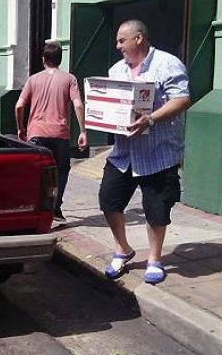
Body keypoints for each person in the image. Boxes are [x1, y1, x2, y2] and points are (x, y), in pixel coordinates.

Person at [101, 20, 191, 285]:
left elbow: (182, 99)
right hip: (123, 154)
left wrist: (150, 119)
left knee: (157, 210)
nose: (118, 46)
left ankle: (154, 259)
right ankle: (123, 250)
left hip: (157, 154)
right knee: (109, 200)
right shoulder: (117, 69)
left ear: (139, 38)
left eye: (121, 40)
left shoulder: (167, 63)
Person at [15, 40, 87, 222]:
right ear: (60, 59)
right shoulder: (69, 79)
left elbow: (19, 106)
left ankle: (36, 206)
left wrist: (21, 127)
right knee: (62, 170)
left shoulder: (33, 79)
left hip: (36, 133)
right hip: (60, 134)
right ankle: (56, 207)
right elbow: (78, 104)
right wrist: (83, 131)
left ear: (43, 59)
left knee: (37, 171)